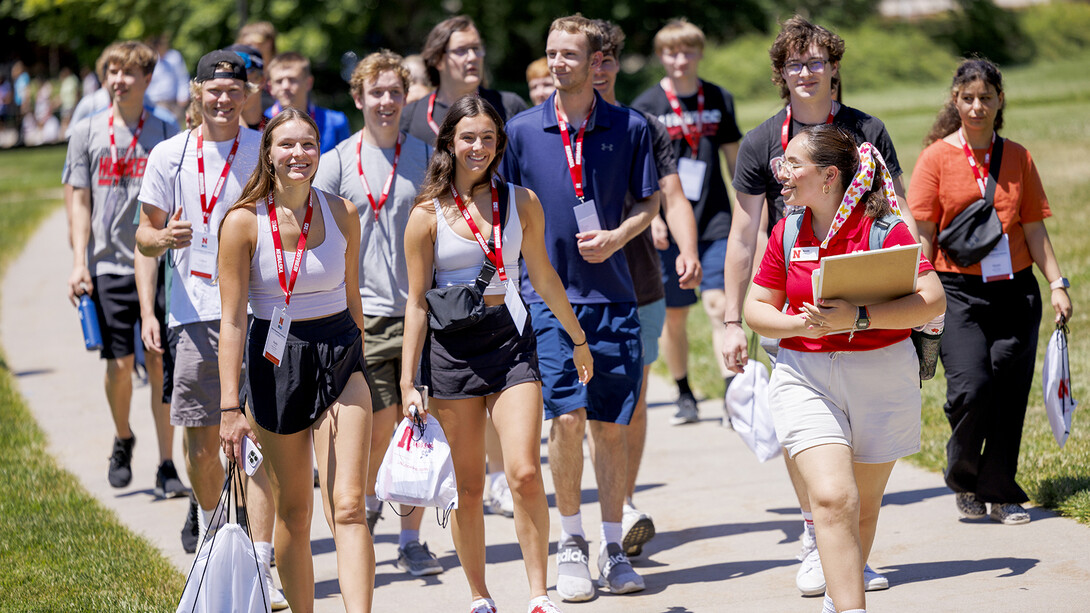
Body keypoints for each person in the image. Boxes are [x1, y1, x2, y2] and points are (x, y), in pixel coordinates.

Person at [721, 15, 915, 596]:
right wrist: (734, 318)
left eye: (816, 62)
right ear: (781, 75)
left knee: (861, 433)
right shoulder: (760, 142)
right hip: (793, 295)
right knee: (806, 427)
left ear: (833, 69)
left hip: (866, 288)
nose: (806, 73)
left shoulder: (866, 129)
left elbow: (897, 208)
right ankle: (816, 533)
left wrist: (912, 268)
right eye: (794, 64)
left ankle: (849, 543)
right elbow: (743, 232)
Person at [745, 124, 946, 613]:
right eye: (781, 164)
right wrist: (798, 326)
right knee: (834, 498)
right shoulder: (788, 228)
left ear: (829, 176)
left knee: (863, 510)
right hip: (804, 375)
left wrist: (858, 317)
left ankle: (837, 601)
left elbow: (933, 300)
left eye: (793, 165)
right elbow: (756, 306)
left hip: (882, 374)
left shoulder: (884, 230)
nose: (782, 174)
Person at [402, 94, 589, 613]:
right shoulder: (425, 215)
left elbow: (544, 277)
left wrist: (576, 338)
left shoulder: (521, 201)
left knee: (525, 471)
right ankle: (480, 596)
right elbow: (416, 305)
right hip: (451, 353)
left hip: (511, 343)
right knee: (465, 483)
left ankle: (537, 593)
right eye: (468, 137)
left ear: (500, 143)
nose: (478, 147)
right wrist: (407, 381)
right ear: (449, 143)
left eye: (488, 137)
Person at [503, 14, 659, 601]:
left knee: (610, 427)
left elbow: (648, 204)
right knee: (565, 418)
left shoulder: (630, 126)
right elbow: (507, 215)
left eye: (570, 54)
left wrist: (619, 236)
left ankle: (612, 545)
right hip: (549, 299)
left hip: (616, 296)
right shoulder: (520, 132)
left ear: (597, 62)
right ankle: (571, 540)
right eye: (552, 54)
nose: (558, 63)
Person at [136, 49, 286, 609]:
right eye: (213, 90)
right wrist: (164, 238)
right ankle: (211, 533)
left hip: (262, 309)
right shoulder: (168, 155)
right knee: (201, 433)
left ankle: (263, 562)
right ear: (197, 91)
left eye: (234, 90)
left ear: (248, 94)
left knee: (264, 434)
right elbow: (144, 237)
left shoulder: (263, 149)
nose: (224, 100)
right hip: (195, 310)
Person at [218, 107, 376, 613]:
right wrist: (229, 406)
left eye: (307, 145)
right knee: (295, 512)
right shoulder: (243, 223)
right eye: (286, 145)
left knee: (349, 506)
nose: (298, 155)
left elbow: (353, 298)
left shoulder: (342, 212)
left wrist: (360, 358)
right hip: (274, 363)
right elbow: (233, 321)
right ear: (268, 152)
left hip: (339, 356)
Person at [908, 58, 1072, 526]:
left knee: (1008, 390)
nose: (977, 106)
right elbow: (922, 233)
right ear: (955, 100)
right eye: (968, 98)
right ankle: (962, 472)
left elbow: (1034, 228)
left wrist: (1056, 284)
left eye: (986, 97)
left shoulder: (1017, 156)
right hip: (956, 290)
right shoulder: (937, 156)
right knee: (971, 388)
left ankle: (999, 492)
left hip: (1016, 291)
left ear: (1000, 101)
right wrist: (921, 289)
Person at [312, 50, 441, 577]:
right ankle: (364, 510)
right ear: (359, 98)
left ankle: (411, 540)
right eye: (376, 92)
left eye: (395, 92)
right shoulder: (338, 160)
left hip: (417, 311)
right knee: (376, 423)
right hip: (360, 316)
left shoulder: (429, 156)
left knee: (414, 422)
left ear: (405, 96)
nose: (386, 101)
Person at [587, 18, 703, 559]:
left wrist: (688, 248)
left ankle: (624, 503)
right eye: (593, 57)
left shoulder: (644, 125)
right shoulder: (549, 129)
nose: (601, 68)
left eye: (609, 58)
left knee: (630, 399)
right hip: (575, 290)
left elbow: (674, 195)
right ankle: (593, 511)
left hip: (639, 283)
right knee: (582, 410)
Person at [62, 40, 182, 497]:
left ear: (148, 79)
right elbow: (79, 200)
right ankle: (124, 436)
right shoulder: (86, 132)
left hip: (158, 263)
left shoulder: (169, 132)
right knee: (118, 365)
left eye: (129, 72)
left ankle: (167, 462)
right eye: (113, 71)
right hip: (108, 264)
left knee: (159, 362)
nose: (119, 79)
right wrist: (78, 260)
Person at [632, 19, 743, 425]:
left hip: (714, 218)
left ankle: (733, 395)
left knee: (718, 305)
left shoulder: (718, 97)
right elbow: (639, 171)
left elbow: (735, 160)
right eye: (670, 53)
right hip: (668, 226)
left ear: (699, 53)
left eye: (687, 51)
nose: (679, 60)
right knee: (675, 316)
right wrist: (653, 218)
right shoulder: (646, 106)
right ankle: (683, 392)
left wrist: (748, 213)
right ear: (661, 56)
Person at [400, 15, 527, 146]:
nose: (472, 57)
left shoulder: (509, 107)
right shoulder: (410, 116)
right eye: (461, 50)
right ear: (437, 60)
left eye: (476, 48)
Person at [264, 52, 350, 154]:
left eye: (292, 80)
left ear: (308, 83)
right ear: (270, 87)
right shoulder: (263, 123)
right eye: (279, 81)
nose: (285, 86)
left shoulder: (335, 122)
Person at [146, 34, 190, 126]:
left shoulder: (174, 57)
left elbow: (182, 77)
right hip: (156, 103)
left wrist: (183, 96)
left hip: (173, 103)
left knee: (175, 129)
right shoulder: (150, 59)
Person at [224, 44, 267, 131]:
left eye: (243, 80)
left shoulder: (277, 127)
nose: (233, 86)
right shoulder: (207, 128)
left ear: (262, 80)